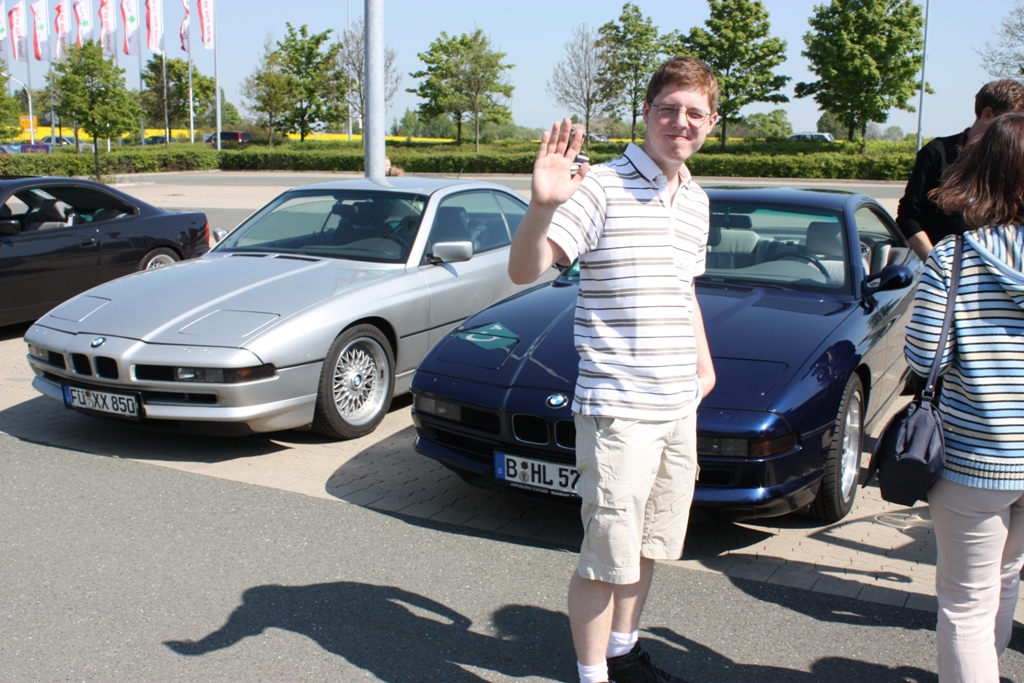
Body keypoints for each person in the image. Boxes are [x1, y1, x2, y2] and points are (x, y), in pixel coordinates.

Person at [508, 57, 718, 683]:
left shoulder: (697, 199)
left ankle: (623, 655)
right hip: (620, 408)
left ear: (711, 123)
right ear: (646, 112)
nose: (680, 122)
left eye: (694, 113)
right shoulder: (602, 185)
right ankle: (592, 674)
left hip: (677, 404)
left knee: (649, 544)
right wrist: (541, 206)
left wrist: (703, 369)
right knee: (605, 557)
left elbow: (684, 290)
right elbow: (525, 270)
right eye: (668, 109)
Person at [904, 112, 1024, 682]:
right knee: (1007, 577)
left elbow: (923, 357)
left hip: (975, 457)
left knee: (965, 603)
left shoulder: (954, 258)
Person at [896, 79, 1024, 261]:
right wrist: (936, 263)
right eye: (1011, 120)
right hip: (942, 269)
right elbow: (909, 217)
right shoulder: (937, 152)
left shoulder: (1014, 161)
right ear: (987, 114)